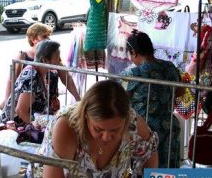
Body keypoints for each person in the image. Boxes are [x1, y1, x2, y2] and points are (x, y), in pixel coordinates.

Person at [36, 80, 158, 177]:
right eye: (98, 129)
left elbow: (149, 155)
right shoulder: (67, 127)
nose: (106, 137)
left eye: (115, 130)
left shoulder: (133, 123)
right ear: (85, 116)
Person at [122, 29, 182, 168]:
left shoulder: (132, 74)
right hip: (169, 127)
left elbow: (120, 100)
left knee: (144, 169)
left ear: (134, 53)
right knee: (167, 170)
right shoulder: (169, 67)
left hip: (143, 131)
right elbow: (180, 91)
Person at [0, 22, 80, 110]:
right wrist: (7, 103)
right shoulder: (23, 56)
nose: (48, 38)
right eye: (44, 36)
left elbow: (67, 78)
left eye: (49, 35)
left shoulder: (52, 55)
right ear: (33, 39)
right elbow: (11, 80)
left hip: (50, 105)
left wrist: (78, 99)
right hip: (28, 107)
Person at [0, 39, 62, 127]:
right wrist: (37, 127)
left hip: (28, 124)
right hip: (15, 128)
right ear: (45, 60)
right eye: (57, 56)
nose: (60, 59)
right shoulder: (32, 75)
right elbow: (21, 111)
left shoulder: (44, 73)